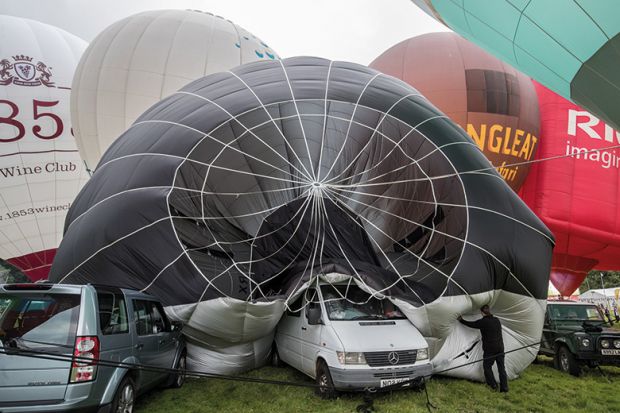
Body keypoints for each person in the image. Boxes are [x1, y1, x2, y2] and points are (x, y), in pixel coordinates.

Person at [458, 304, 508, 393]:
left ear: (481, 312)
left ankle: (493, 385)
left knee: (487, 367)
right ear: (489, 311)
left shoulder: (483, 322)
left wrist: (461, 320)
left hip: (490, 349)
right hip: (500, 347)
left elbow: (471, 324)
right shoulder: (497, 320)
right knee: (501, 368)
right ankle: (504, 388)